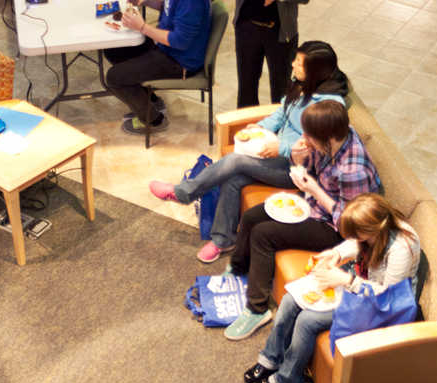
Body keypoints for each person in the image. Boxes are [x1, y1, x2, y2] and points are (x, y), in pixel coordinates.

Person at [148, 40, 348, 263]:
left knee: (235, 161)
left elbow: (316, 150)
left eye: (299, 64)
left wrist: (281, 148)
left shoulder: (329, 107)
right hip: (279, 158)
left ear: (316, 71)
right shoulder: (303, 85)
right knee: (233, 179)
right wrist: (262, 126)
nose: (292, 65)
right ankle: (223, 241)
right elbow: (282, 112)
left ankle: (183, 193)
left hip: (298, 172)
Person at [223, 99, 381, 340]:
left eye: (310, 137)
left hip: (335, 229)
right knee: (253, 216)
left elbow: (349, 225)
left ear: (327, 138)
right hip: (312, 204)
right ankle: (239, 267)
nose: (305, 139)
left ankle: (257, 309)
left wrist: (315, 190)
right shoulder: (332, 141)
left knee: (263, 234)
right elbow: (311, 168)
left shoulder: (352, 170)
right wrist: (298, 159)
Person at [245, 194, 421, 383]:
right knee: (290, 300)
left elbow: (388, 296)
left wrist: (347, 280)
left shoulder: (402, 248)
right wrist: (336, 254)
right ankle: (270, 359)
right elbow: (356, 241)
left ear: (371, 230)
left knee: (307, 321)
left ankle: (287, 381)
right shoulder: (374, 226)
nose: (355, 238)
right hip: (359, 281)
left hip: (381, 306)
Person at [104, 0, 211, 135]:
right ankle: (151, 99)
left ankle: (154, 119)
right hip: (166, 47)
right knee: (113, 50)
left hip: (179, 61)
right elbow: (171, 5)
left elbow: (180, 41)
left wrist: (143, 28)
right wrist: (146, 0)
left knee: (114, 78)